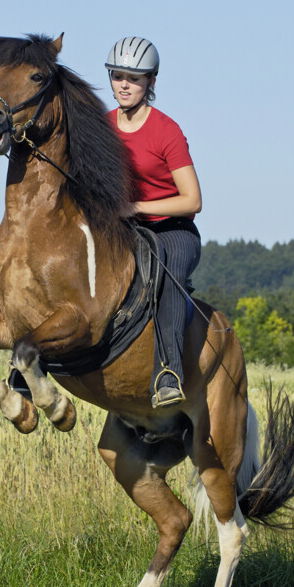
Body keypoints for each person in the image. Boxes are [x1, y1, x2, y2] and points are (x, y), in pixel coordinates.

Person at [105, 37, 202, 408]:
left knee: (168, 274)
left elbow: (193, 200)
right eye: (117, 76)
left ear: (152, 82)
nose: (124, 85)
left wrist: (138, 207)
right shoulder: (102, 126)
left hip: (171, 230)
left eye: (134, 77)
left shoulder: (167, 131)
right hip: (122, 228)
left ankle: (168, 373)